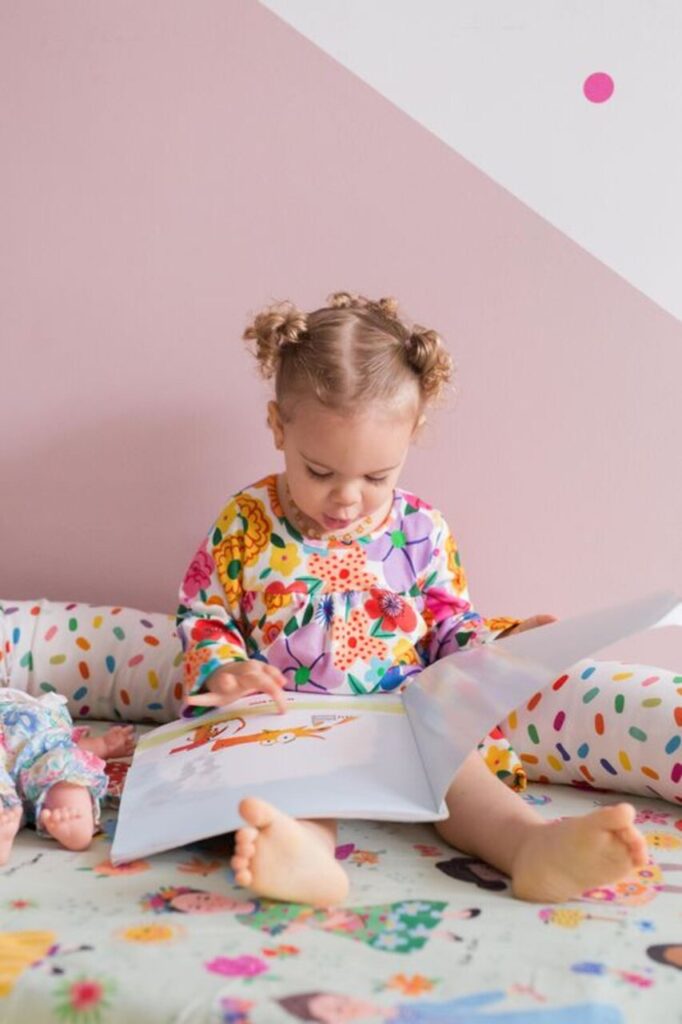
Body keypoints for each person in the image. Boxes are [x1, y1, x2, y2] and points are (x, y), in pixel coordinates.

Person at [176, 292, 649, 908]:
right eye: (319, 471)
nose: (347, 499)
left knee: (462, 778)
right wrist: (226, 669)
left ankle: (532, 847)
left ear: (413, 436)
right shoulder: (245, 522)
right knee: (285, 794)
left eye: (376, 478)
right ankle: (306, 857)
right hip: (289, 721)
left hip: (402, 722)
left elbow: (453, 627)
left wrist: (506, 649)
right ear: (277, 427)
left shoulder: (421, 529)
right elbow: (205, 610)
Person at [0, 686, 135, 864]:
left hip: (44, 757)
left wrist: (104, 745)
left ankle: (76, 822)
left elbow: (66, 745)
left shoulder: (35, 706)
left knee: (65, 765)